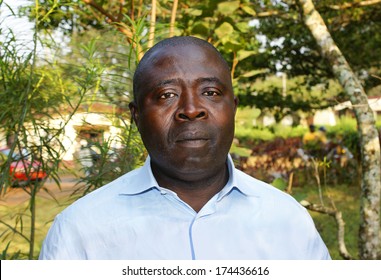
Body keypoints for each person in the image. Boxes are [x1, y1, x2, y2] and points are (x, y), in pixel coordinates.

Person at [39, 36, 330, 260]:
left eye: (210, 92)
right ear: (136, 117)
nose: (191, 110)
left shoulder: (288, 221)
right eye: (167, 95)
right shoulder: (80, 231)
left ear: (233, 109)